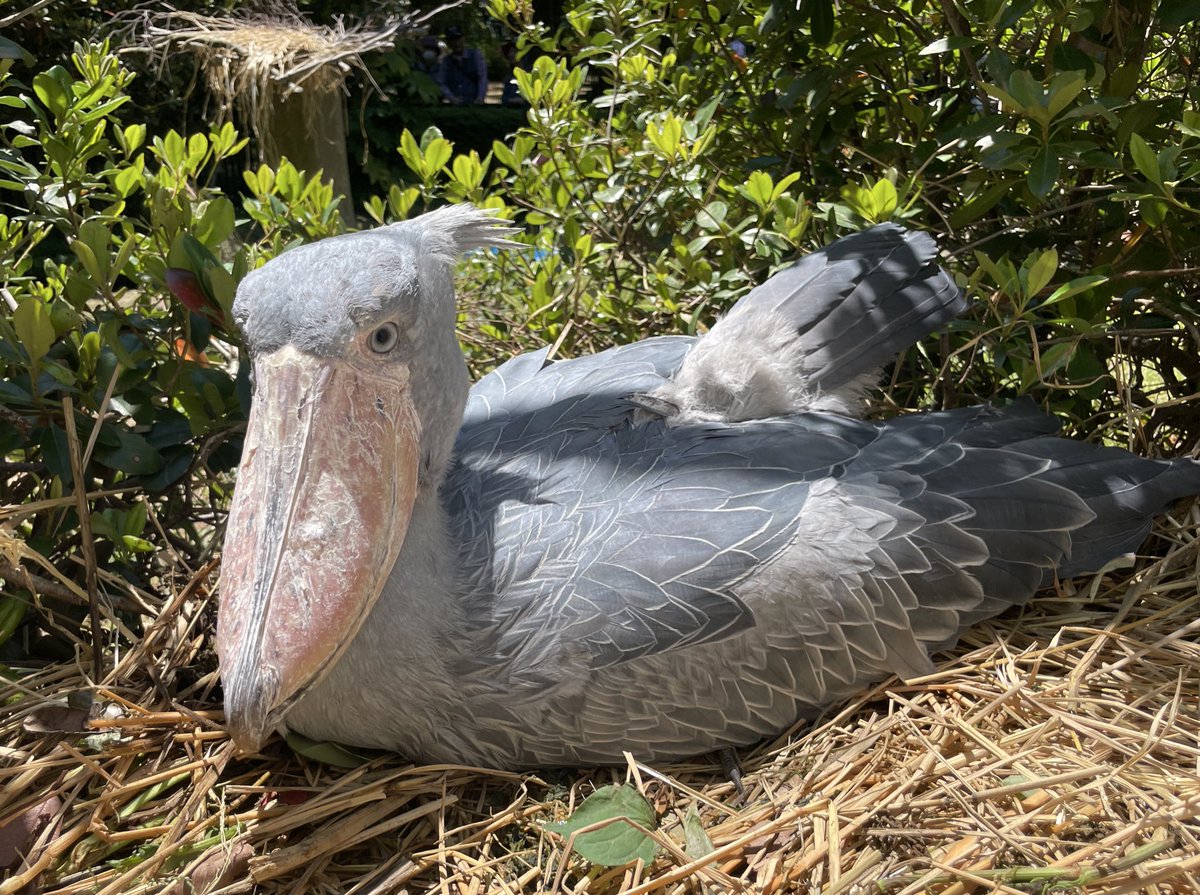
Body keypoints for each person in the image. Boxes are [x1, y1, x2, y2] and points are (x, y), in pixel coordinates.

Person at [435, 26, 488, 105]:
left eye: (458, 39)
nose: (456, 43)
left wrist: (480, 98)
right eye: (452, 40)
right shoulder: (446, 62)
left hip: (474, 102)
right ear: (449, 42)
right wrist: (452, 98)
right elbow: (441, 82)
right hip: (456, 103)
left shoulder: (475, 55)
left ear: (463, 39)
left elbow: (482, 78)